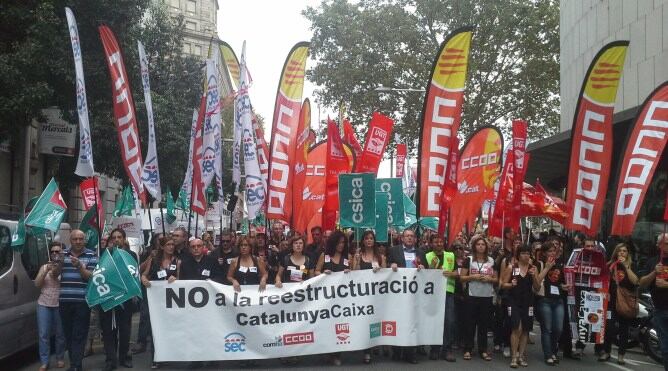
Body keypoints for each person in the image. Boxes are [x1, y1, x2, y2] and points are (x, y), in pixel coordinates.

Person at [99, 228, 138, 371]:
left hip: (125, 299)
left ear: (124, 239)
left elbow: (134, 275)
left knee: (125, 331)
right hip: (109, 298)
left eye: (119, 237)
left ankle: (124, 357)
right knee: (109, 332)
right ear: (111, 240)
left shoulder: (131, 255)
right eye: (114, 237)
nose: (116, 240)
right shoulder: (105, 254)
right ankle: (111, 360)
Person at [386, 229, 426, 364]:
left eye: (412, 236)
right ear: (402, 238)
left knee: (412, 322)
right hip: (398, 293)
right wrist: (391, 265)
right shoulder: (393, 250)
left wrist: (423, 267)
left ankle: (411, 353)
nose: (409, 238)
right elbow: (386, 267)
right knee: (398, 320)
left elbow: (427, 271)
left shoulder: (421, 253)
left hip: (415, 293)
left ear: (415, 239)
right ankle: (397, 351)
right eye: (407, 236)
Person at [595, 242, 639, 364]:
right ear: (616, 253)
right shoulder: (610, 265)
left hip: (624, 302)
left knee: (624, 330)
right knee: (609, 328)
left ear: (627, 253)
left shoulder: (631, 265)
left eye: (624, 251)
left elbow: (635, 281)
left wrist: (626, 266)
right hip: (610, 302)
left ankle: (621, 355)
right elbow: (602, 280)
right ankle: (606, 352)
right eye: (620, 251)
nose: (622, 253)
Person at [60, 229, 97, 371]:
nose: (78, 241)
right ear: (70, 240)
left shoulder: (92, 255)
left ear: (84, 240)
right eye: (75, 239)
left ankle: (76, 366)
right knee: (68, 334)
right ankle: (75, 363)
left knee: (79, 334)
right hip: (64, 300)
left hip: (82, 301)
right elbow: (55, 274)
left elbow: (92, 277)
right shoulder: (63, 254)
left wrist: (80, 267)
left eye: (80, 239)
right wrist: (59, 264)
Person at [141, 236, 180, 369]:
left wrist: (176, 279)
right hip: (156, 301)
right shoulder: (154, 260)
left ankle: (169, 355)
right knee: (155, 328)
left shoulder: (177, 261)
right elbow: (144, 274)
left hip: (171, 300)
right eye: (168, 244)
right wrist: (144, 279)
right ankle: (155, 357)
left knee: (170, 328)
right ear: (162, 246)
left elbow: (182, 280)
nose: (171, 247)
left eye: (172, 244)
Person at [315, 230, 352, 366]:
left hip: (342, 299)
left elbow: (355, 276)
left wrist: (350, 272)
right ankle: (327, 351)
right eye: (339, 242)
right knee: (327, 325)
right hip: (326, 299)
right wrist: (322, 273)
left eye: (343, 242)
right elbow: (316, 271)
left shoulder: (347, 257)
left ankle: (336, 354)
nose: (341, 245)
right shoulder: (324, 256)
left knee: (340, 325)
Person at [460, 234, 497, 362]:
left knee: (484, 324)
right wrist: (472, 277)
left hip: (486, 296)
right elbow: (462, 278)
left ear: (486, 247)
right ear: (474, 246)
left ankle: (483, 350)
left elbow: (496, 279)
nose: (481, 246)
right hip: (471, 295)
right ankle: (468, 349)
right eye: (478, 244)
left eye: (483, 244)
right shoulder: (469, 260)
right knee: (470, 323)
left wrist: (489, 279)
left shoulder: (491, 261)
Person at [351, 230, 386, 364]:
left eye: (371, 238)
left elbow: (386, 275)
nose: (369, 240)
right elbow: (354, 274)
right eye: (366, 238)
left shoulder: (380, 257)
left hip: (376, 295)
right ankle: (366, 350)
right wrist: (358, 261)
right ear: (363, 241)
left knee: (375, 321)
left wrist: (380, 271)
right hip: (363, 295)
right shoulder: (358, 255)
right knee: (364, 322)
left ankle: (373, 345)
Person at [500, 245, 537, 368]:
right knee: (517, 328)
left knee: (525, 329)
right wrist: (510, 284)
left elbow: (537, 287)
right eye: (523, 253)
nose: (526, 256)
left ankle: (521, 356)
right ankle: (514, 356)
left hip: (528, 302)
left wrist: (533, 276)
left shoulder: (533, 268)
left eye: (528, 253)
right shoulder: (512, 267)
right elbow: (502, 284)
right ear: (518, 255)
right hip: (513, 301)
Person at [425, 234, 458, 362]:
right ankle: (435, 349)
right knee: (435, 321)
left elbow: (457, 273)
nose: (439, 244)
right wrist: (431, 268)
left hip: (448, 292)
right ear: (431, 244)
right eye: (436, 242)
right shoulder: (427, 256)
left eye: (440, 242)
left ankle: (447, 349)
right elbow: (423, 275)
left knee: (449, 321)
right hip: (433, 293)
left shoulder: (451, 255)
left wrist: (451, 274)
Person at [639, 233, 668, 371]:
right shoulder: (653, 262)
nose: (667, 245)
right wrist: (654, 273)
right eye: (665, 243)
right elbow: (642, 283)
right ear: (658, 245)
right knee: (664, 347)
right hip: (660, 309)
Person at [35, 241, 66, 371]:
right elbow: (37, 284)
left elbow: (56, 276)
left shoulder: (66, 267)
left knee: (60, 334)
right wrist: (44, 271)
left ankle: (60, 357)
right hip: (44, 303)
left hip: (59, 303)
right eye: (52, 251)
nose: (54, 253)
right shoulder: (44, 266)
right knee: (43, 334)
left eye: (57, 251)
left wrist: (57, 267)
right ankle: (45, 361)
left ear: (62, 253)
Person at [535, 240, 566, 365]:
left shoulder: (559, 264)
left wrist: (564, 286)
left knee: (558, 328)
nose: (552, 253)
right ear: (544, 253)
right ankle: (548, 354)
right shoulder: (539, 264)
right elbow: (537, 281)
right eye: (550, 251)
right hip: (544, 299)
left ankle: (553, 350)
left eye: (554, 251)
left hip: (557, 299)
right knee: (546, 328)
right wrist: (547, 267)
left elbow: (560, 282)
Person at [133, 233, 163, 355]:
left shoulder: (172, 254)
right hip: (150, 289)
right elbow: (139, 270)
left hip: (164, 292)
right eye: (159, 240)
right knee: (145, 315)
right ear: (155, 241)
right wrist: (150, 258)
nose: (161, 242)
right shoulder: (148, 252)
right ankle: (142, 342)